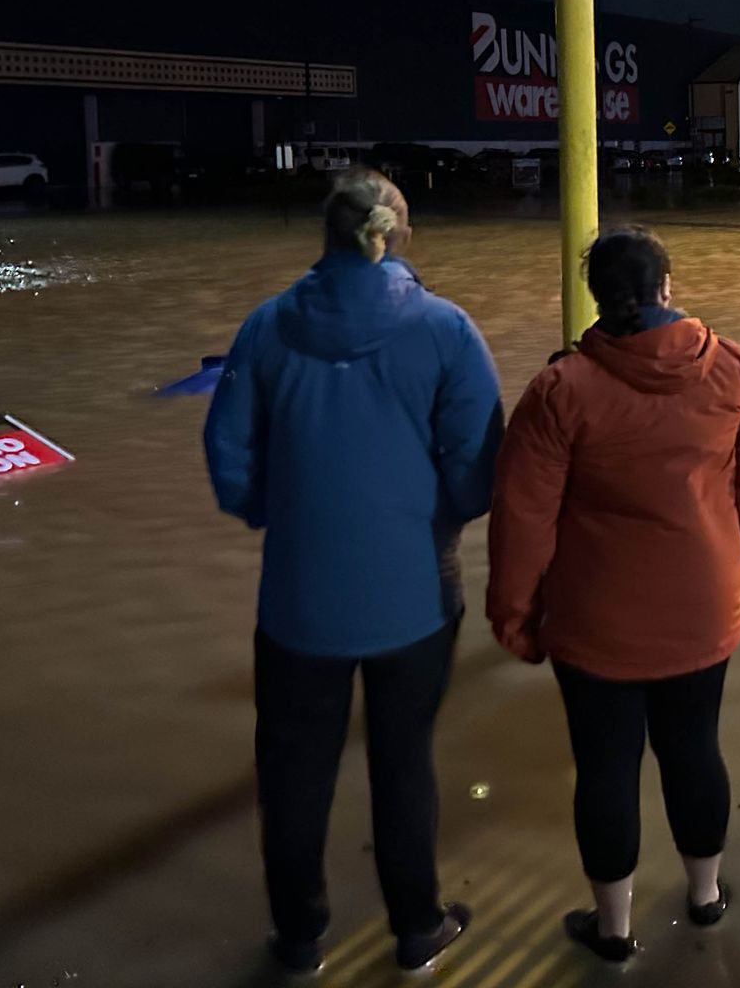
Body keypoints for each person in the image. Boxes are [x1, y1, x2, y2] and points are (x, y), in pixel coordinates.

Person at [205, 168, 503, 975]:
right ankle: (415, 927)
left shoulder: (265, 329)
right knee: (404, 761)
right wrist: (435, 514)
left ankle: (299, 940)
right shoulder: (448, 330)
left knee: (294, 771)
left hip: (298, 599)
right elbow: (478, 464)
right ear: (400, 236)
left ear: (327, 236)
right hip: (415, 593)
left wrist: (279, 510)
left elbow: (227, 453)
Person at [488, 226, 740, 962]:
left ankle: (613, 931)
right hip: (703, 606)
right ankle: (705, 898)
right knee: (694, 748)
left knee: (606, 768)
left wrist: (514, 614)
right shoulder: (732, 369)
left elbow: (523, 516)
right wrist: (715, 558)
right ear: (666, 288)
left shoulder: (561, 390)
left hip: (595, 619)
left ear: (596, 298)